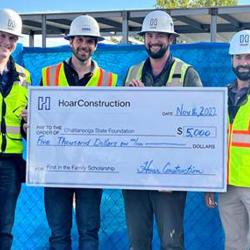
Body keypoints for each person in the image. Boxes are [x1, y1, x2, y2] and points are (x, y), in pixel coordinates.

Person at [122, 10, 202, 250]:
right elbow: (119, 121)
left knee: (171, 243)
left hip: (171, 175)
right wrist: (130, 100)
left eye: (160, 35)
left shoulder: (188, 74)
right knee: (137, 242)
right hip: (135, 174)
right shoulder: (131, 74)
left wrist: (181, 174)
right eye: (149, 35)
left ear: (171, 39)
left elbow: (198, 127)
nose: (153, 40)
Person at [41, 15, 117, 250]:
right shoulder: (48, 75)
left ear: (96, 45)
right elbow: (38, 121)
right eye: (80, 40)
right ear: (71, 41)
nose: (84, 45)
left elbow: (116, 126)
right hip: (55, 168)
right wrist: (29, 124)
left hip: (90, 170)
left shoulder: (109, 80)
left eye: (90, 41)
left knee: (89, 233)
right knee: (58, 235)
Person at [205, 30, 250, 250]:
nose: (243, 62)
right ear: (232, 60)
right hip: (228, 186)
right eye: (239, 57)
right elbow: (213, 143)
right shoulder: (221, 95)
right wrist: (210, 181)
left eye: (248, 57)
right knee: (234, 244)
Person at [0, 8, 31, 250]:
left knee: (4, 229)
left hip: (10, 163)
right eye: (1, 35)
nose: (7, 42)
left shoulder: (24, 77)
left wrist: (30, 125)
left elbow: (23, 127)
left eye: (12, 38)